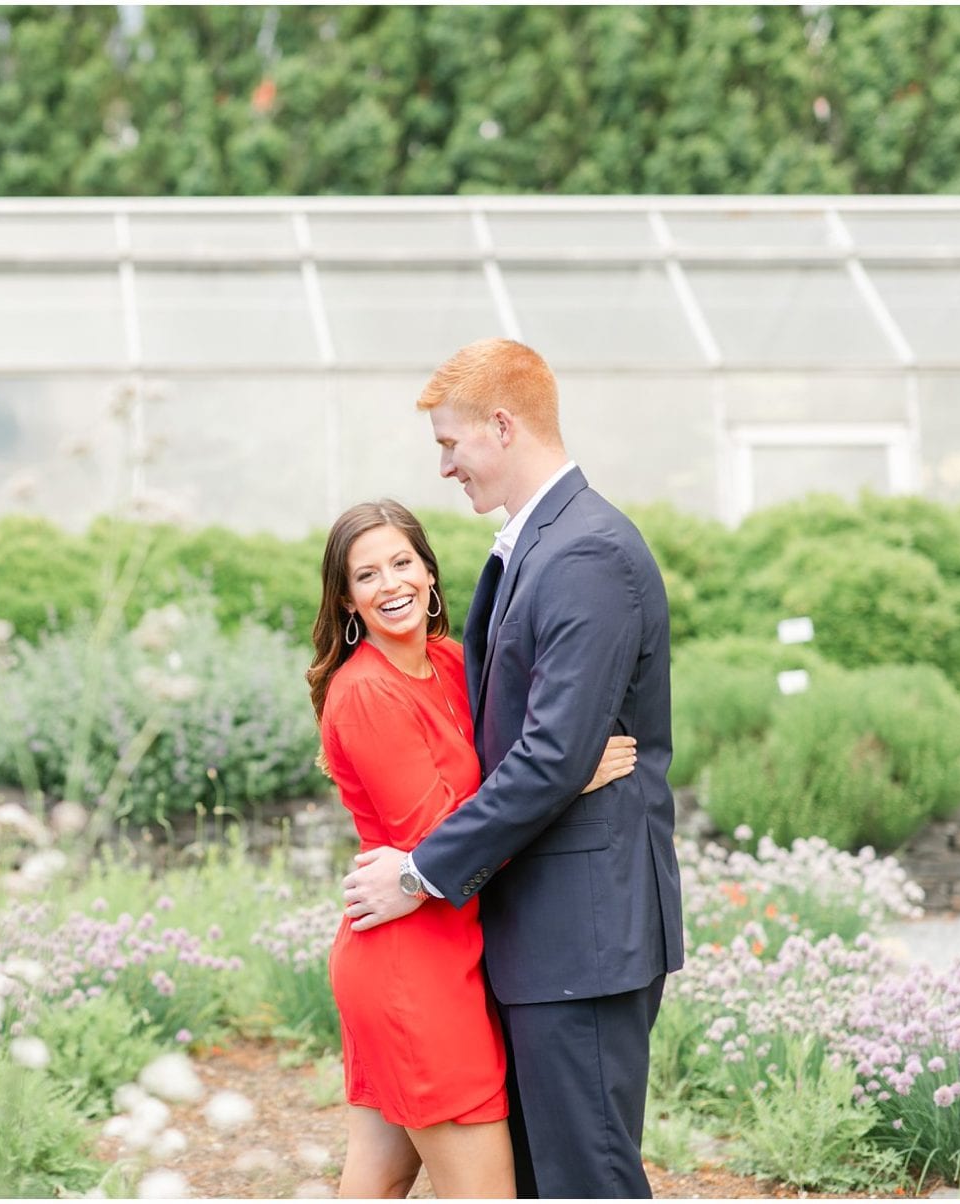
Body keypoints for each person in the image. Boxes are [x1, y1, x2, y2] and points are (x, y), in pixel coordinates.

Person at [339, 339, 686, 1199]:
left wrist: (421, 872)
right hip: (536, 932)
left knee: (588, 1179)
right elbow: (545, 753)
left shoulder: (586, 553)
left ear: (502, 426)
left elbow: (548, 753)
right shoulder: (537, 544)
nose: (447, 466)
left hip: (583, 934)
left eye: (451, 445)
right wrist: (565, 769)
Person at [308, 499, 638, 1200]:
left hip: (448, 947)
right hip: (411, 964)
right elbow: (444, 838)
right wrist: (569, 778)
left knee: (378, 1177)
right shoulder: (366, 693)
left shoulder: (452, 663)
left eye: (403, 563)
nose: (391, 584)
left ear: (429, 574)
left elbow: (504, 773)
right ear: (347, 599)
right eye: (368, 575)